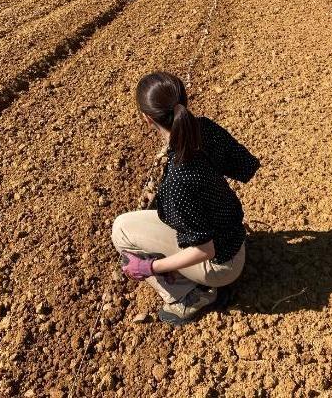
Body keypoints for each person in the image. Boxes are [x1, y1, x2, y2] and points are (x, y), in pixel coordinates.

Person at [111, 72, 259, 326]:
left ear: (147, 119)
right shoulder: (204, 128)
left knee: (121, 231)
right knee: (139, 222)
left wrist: (152, 268)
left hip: (221, 266)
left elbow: (205, 249)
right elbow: (245, 166)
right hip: (234, 239)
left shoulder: (178, 182)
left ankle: (190, 295)